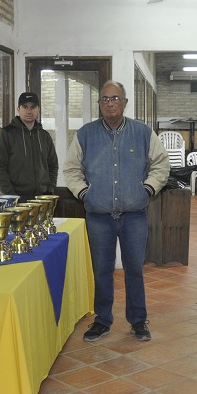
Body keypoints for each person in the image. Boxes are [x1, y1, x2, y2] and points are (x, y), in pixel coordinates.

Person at [63, 81, 169, 342]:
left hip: (134, 216)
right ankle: (102, 320)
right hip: (98, 217)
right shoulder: (86, 134)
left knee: (134, 269)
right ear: (100, 104)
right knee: (101, 270)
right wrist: (84, 193)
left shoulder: (142, 132)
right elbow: (71, 169)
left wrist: (147, 189)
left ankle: (138, 320)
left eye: (115, 98)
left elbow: (161, 164)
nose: (110, 104)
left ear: (125, 102)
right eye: (105, 99)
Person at [0, 91, 58, 200]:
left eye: (33, 107)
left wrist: (49, 190)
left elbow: (53, 165)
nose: (29, 111)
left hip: (42, 198)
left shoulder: (44, 136)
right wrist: (11, 195)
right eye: (25, 107)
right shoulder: (6, 134)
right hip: (15, 198)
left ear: (38, 109)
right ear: (18, 109)